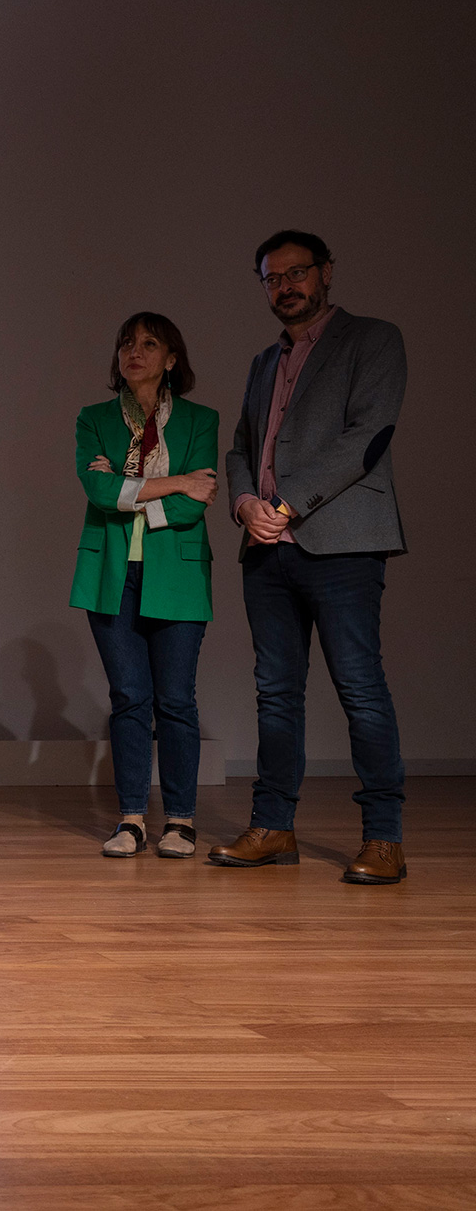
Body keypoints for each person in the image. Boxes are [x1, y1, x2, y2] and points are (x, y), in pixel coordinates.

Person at [214, 231, 409, 883]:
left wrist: (287, 503)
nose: (286, 286)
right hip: (266, 548)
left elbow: (368, 436)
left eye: (297, 273)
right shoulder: (263, 361)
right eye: (272, 278)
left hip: (342, 543)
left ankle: (383, 837)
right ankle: (273, 826)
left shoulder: (373, 338)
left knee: (360, 687)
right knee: (275, 694)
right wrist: (246, 503)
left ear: (326, 272)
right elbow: (240, 446)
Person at [72, 314, 218, 858]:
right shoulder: (94, 418)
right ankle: (131, 818)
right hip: (110, 571)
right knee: (129, 697)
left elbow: (194, 505)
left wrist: (129, 490)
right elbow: (99, 492)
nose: (134, 352)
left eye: (149, 344)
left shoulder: (201, 420)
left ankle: (180, 820)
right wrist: (175, 481)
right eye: (126, 344)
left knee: (176, 699)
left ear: (171, 359)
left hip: (176, 571)